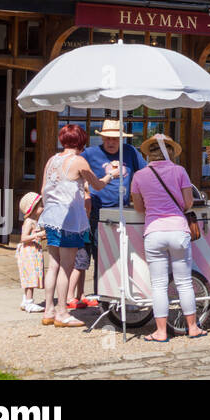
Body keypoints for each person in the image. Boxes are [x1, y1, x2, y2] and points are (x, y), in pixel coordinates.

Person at [40, 124, 120, 326]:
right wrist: (112, 175)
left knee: (53, 266)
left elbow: (43, 190)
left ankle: (48, 310)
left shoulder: (52, 160)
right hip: (69, 219)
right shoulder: (78, 161)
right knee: (67, 268)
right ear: (81, 141)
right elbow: (98, 185)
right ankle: (62, 313)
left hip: (51, 216)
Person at [129, 134, 204, 342]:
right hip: (179, 231)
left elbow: (138, 207)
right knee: (184, 283)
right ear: (170, 152)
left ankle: (161, 332)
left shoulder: (139, 176)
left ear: (148, 155)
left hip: (153, 232)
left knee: (159, 285)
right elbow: (188, 203)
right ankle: (192, 328)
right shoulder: (179, 171)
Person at [83, 119, 146, 296]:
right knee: (100, 255)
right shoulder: (90, 153)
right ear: (102, 138)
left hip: (125, 211)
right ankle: (101, 294)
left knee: (125, 255)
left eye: (115, 138)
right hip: (98, 211)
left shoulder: (130, 151)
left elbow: (144, 173)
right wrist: (86, 193)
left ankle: (122, 292)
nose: (111, 142)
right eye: (107, 138)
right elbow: (76, 176)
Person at [15, 192, 45, 313]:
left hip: (33, 251)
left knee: (32, 275)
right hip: (29, 253)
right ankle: (29, 301)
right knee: (30, 276)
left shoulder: (34, 221)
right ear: (32, 208)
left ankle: (25, 300)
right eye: (40, 206)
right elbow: (23, 238)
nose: (43, 208)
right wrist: (38, 234)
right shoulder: (29, 222)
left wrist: (40, 236)